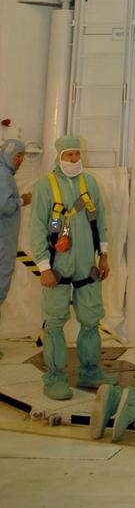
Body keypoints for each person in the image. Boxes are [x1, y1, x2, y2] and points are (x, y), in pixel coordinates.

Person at [30, 134, 114, 400]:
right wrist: (44, 267)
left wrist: (104, 255)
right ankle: (54, 377)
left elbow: (100, 221)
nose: (74, 159)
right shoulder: (45, 186)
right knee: (55, 322)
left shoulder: (90, 183)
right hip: (57, 266)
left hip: (86, 265)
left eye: (77, 154)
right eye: (69, 155)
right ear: (59, 157)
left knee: (90, 319)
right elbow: (37, 228)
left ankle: (90, 370)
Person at [0, 137, 31, 352]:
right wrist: (22, 200)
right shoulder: (3, 175)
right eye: (18, 156)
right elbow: (4, 206)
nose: (20, 161)